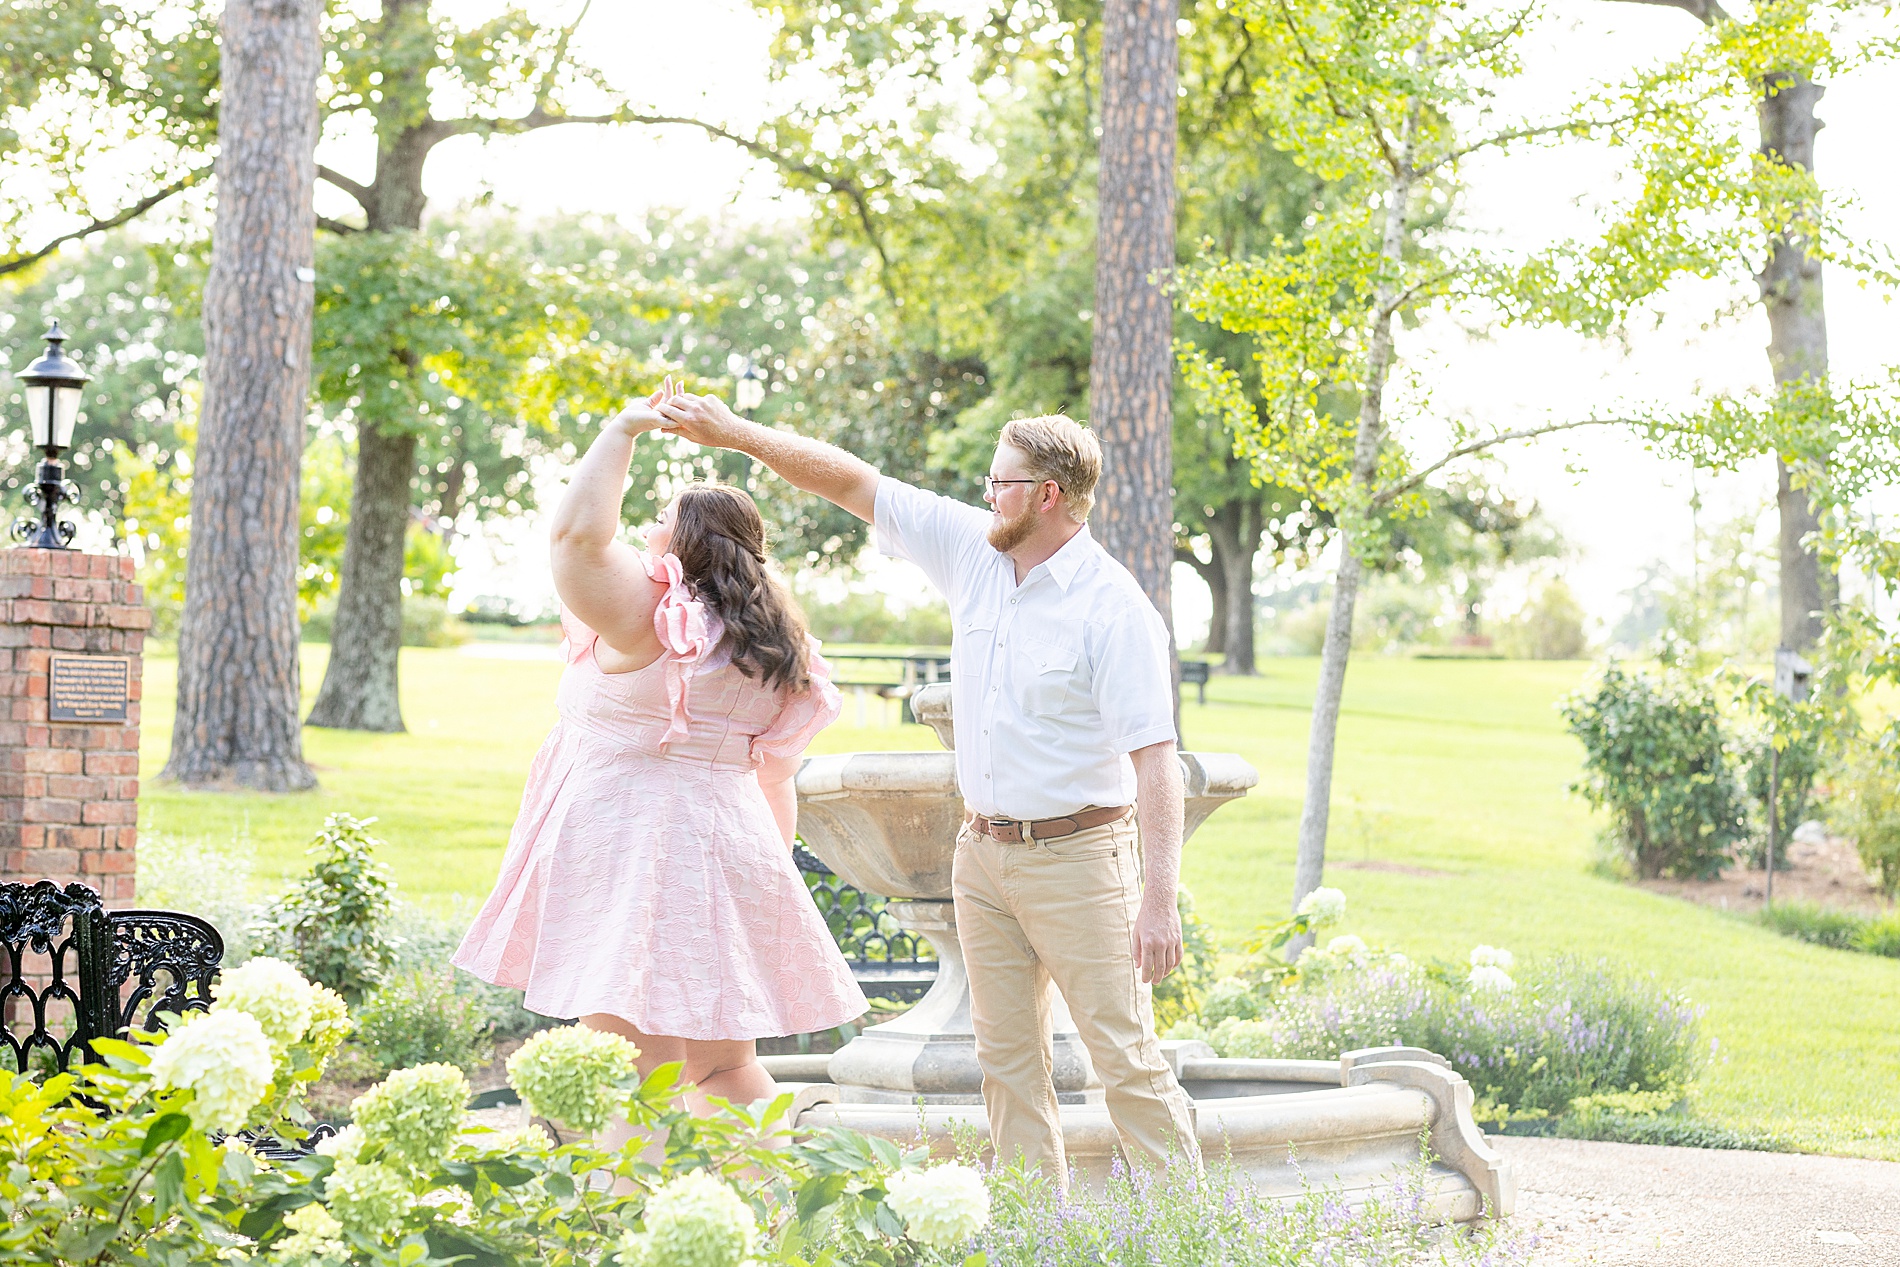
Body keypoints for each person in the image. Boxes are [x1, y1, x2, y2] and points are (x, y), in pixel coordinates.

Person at [653, 388, 1198, 1180]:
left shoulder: (1114, 610)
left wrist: (1159, 899)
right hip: (982, 854)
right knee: (1005, 1064)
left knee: (1125, 1057)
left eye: (1000, 482)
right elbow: (850, 483)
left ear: (1046, 496)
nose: (985, 494)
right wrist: (733, 433)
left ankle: (1189, 1232)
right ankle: (1032, 1237)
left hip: (1082, 859)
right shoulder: (973, 550)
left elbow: (1157, 759)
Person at [452, 383, 869, 1120]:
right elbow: (773, 775)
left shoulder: (651, 615)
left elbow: (575, 540)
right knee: (722, 1068)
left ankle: (623, 1225)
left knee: (622, 1070)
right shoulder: (769, 640)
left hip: (639, 848)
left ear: (684, 544)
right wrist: (764, 884)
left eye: (659, 521)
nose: (646, 531)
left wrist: (622, 431)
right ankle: (757, 1223)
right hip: (729, 848)